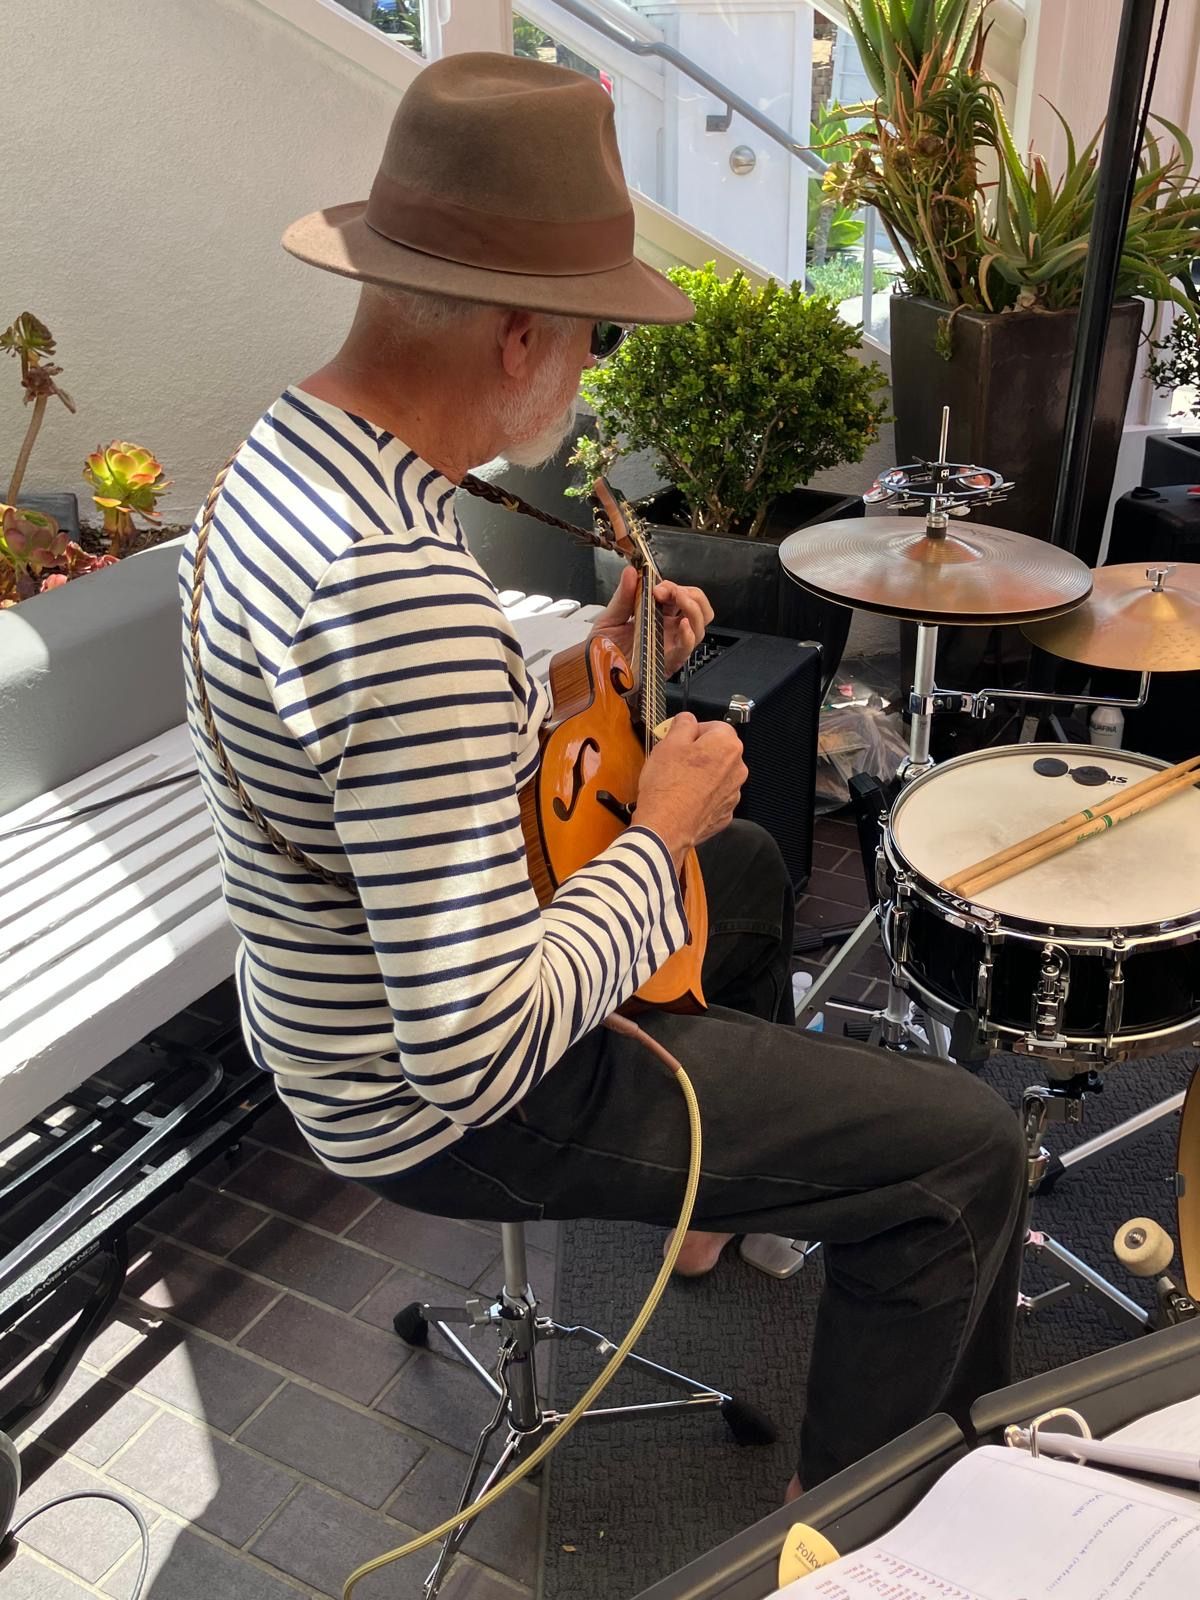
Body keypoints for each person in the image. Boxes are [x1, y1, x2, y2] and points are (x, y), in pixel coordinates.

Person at [182, 50, 1027, 1493]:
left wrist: (588, 668)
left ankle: (704, 1213)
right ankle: (866, 1551)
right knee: (964, 1153)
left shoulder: (287, 457)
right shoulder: (396, 597)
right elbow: (472, 1051)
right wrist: (657, 830)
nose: (593, 370)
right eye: (591, 337)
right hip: (434, 1103)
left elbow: (389, 763)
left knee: (743, 872)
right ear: (520, 335)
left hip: (327, 1017)